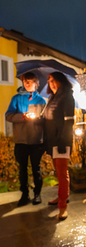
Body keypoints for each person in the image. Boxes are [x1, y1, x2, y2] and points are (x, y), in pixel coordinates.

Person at [6, 72, 46, 206]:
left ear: (36, 83)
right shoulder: (16, 98)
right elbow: (8, 116)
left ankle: (37, 194)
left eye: (29, 82)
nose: (26, 84)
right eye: (24, 82)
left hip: (36, 141)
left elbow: (45, 120)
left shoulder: (41, 101)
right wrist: (23, 117)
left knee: (36, 168)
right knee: (22, 169)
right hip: (21, 140)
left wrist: (37, 119)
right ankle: (24, 194)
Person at [43, 71, 74, 220]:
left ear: (61, 80)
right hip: (52, 141)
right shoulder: (52, 98)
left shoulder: (67, 96)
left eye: (54, 80)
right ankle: (61, 196)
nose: (52, 83)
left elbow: (69, 122)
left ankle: (63, 207)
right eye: (49, 80)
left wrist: (63, 141)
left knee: (62, 173)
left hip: (62, 141)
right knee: (58, 171)